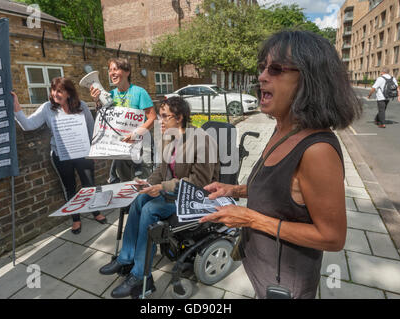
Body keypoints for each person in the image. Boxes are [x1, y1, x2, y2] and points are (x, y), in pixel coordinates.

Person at [199, 30, 363, 299]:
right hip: (261, 267)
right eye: (262, 67)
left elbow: (332, 237)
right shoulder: (282, 129)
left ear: (309, 80)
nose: (262, 76)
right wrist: (234, 190)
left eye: (276, 69)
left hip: (284, 285)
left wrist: (251, 219)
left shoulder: (317, 150)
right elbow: (279, 190)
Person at [99, 96, 219, 298]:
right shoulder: (168, 136)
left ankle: (141, 278)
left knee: (150, 209)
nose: (160, 121)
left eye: (164, 116)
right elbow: (162, 170)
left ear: (180, 117)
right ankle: (126, 258)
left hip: (195, 197)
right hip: (174, 191)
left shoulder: (202, 140)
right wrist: (147, 182)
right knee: (139, 199)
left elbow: (199, 183)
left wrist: (162, 187)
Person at [12, 77, 107, 235]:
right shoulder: (47, 108)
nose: (55, 94)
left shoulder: (81, 106)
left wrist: (94, 151)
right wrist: (16, 106)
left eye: (60, 91)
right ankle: (75, 218)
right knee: (69, 188)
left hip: (83, 154)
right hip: (61, 155)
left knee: (89, 185)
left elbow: (92, 129)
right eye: (53, 90)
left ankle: (96, 212)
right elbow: (28, 125)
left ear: (69, 93)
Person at [90, 58, 157, 183]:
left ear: (127, 72)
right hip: (121, 148)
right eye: (110, 70)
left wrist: (136, 134)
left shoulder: (139, 92)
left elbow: (153, 118)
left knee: (145, 182)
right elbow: (104, 120)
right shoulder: (110, 95)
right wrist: (97, 101)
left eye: (116, 69)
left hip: (142, 146)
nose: (112, 73)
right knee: (125, 183)